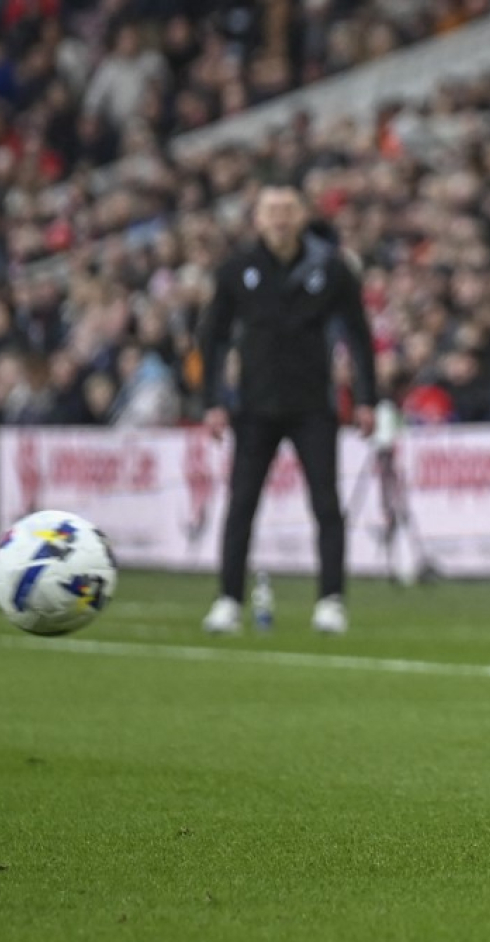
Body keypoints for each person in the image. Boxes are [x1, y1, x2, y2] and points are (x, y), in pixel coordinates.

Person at [199, 182, 376, 635]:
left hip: (313, 405)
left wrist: (367, 399)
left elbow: (359, 336)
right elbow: (212, 337)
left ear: (301, 215)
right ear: (256, 218)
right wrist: (213, 401)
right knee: (241, 505)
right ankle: (228, 599)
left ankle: (331, 600)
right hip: (255, 407)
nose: (279, 217)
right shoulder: (237, 270)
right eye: (271, 209)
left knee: (326, 504)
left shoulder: (331, 269)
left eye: (287, 208)